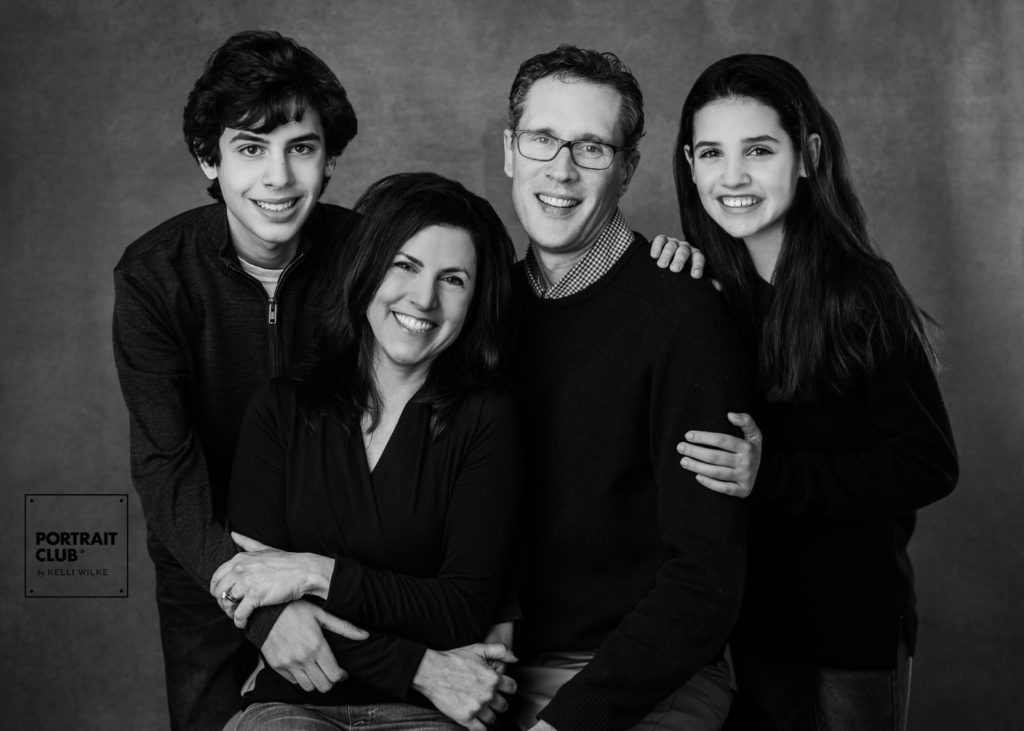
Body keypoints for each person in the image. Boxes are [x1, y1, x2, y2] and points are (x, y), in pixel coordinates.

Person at [670, 54, 959, 730]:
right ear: (689, 164)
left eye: (759, 150)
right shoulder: (708, 292)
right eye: (711, 152)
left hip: (850, 626)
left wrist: (773, 474)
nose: (732, 176)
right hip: (752, 621)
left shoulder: (858, 293)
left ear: (807, 156)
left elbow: (929, 463)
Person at [112, 31, 365, 730]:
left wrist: (658, 261)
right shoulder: (153, 276)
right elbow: (167, 469)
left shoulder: (370, 257)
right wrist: (264, 609)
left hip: (342, 564)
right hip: (209, 569)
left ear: (330, 157)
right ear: (209, 159)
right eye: (251, 149)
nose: (278, 178)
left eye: (301, 147)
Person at [209, 172, 523, 731]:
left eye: (453, 279)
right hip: (293, 701)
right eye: (404, 265)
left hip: (432, 715)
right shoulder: (280, 410)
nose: (423, 299)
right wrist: (418, 665)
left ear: (475, 300)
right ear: (366, 269)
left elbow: (462, 612)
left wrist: (314, 573)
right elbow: (257, 597)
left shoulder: (485, 419)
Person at [501, 45, 753, 731]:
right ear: (509, 150)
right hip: (493, 670)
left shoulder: (682, 313)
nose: (560, 168)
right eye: (543, 139)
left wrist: (567, 721)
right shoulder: (479, 308)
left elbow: (704, 580)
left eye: (591, 147)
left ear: (627, 169)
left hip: (645, 678)